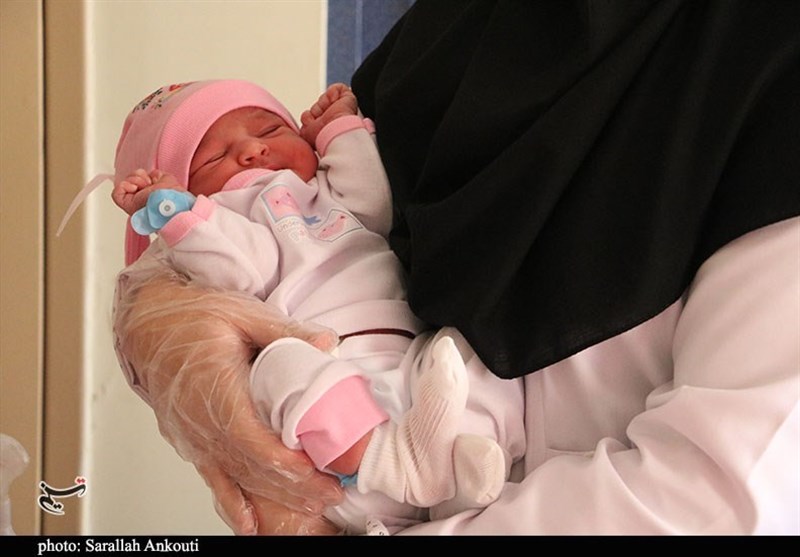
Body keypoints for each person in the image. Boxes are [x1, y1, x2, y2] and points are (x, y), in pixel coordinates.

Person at [113, 0, 799, 535]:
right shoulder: (454, 29)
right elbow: (330, 202)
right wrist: (157, 312)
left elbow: (716, 499)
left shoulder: (770, 62)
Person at [110, 79, 524, 534]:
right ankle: (391, 462)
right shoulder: (233, 218)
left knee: (467, 347)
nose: (251, 149)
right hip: (333, 376)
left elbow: (372, 200)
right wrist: (179, 215)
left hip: (409, 358)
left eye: (270, 130)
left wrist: (339, 129)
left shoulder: (326, 197)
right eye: (213, 157)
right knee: (278, 363)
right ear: (190, 191)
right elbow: (238, 270)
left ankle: (453, 472)